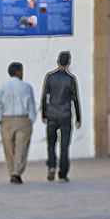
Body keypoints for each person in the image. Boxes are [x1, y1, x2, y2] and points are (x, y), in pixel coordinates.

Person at [41, 51, 81, 183]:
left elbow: (44, 97)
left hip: (52, 114)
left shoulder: (50, 77)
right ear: (68, 63)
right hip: (65, 115)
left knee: (51, 143)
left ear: (58, 62)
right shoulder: (71, 79)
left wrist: (44, 113)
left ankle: (52, 166)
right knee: (64, 145)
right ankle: (63, 173)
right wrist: (78, 118)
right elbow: (75, 99)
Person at [0, 62, 36, 184]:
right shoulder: (26, 87)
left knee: (9, 148)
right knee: (21, 147)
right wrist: (31, 119)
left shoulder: (2, 87)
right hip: (22, 118)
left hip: (6, 119)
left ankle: (12, 170)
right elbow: (31, 104)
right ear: (18, 72)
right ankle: (17, 172)